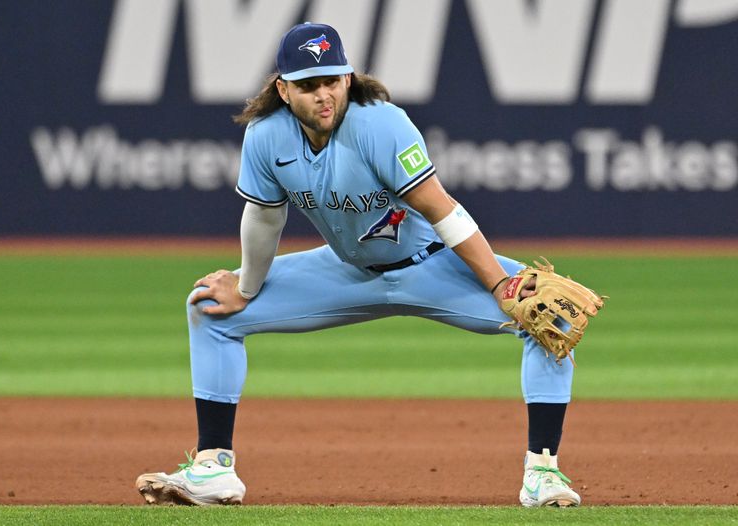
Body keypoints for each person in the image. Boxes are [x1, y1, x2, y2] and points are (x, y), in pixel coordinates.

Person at [136, 22, 580, 508]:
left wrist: (498, 283)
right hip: (345, 271)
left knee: (548, 319)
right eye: (308, 85)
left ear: (348, 78)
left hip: (430, 265)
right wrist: (246, 286)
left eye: (332, 80)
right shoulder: (266, 137)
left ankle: (543, 474)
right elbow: (264, 219)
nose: (323, 95)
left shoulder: (380, 124)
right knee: (208, 308)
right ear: (284, 89)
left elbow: (441, 208)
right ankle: (213, 469)